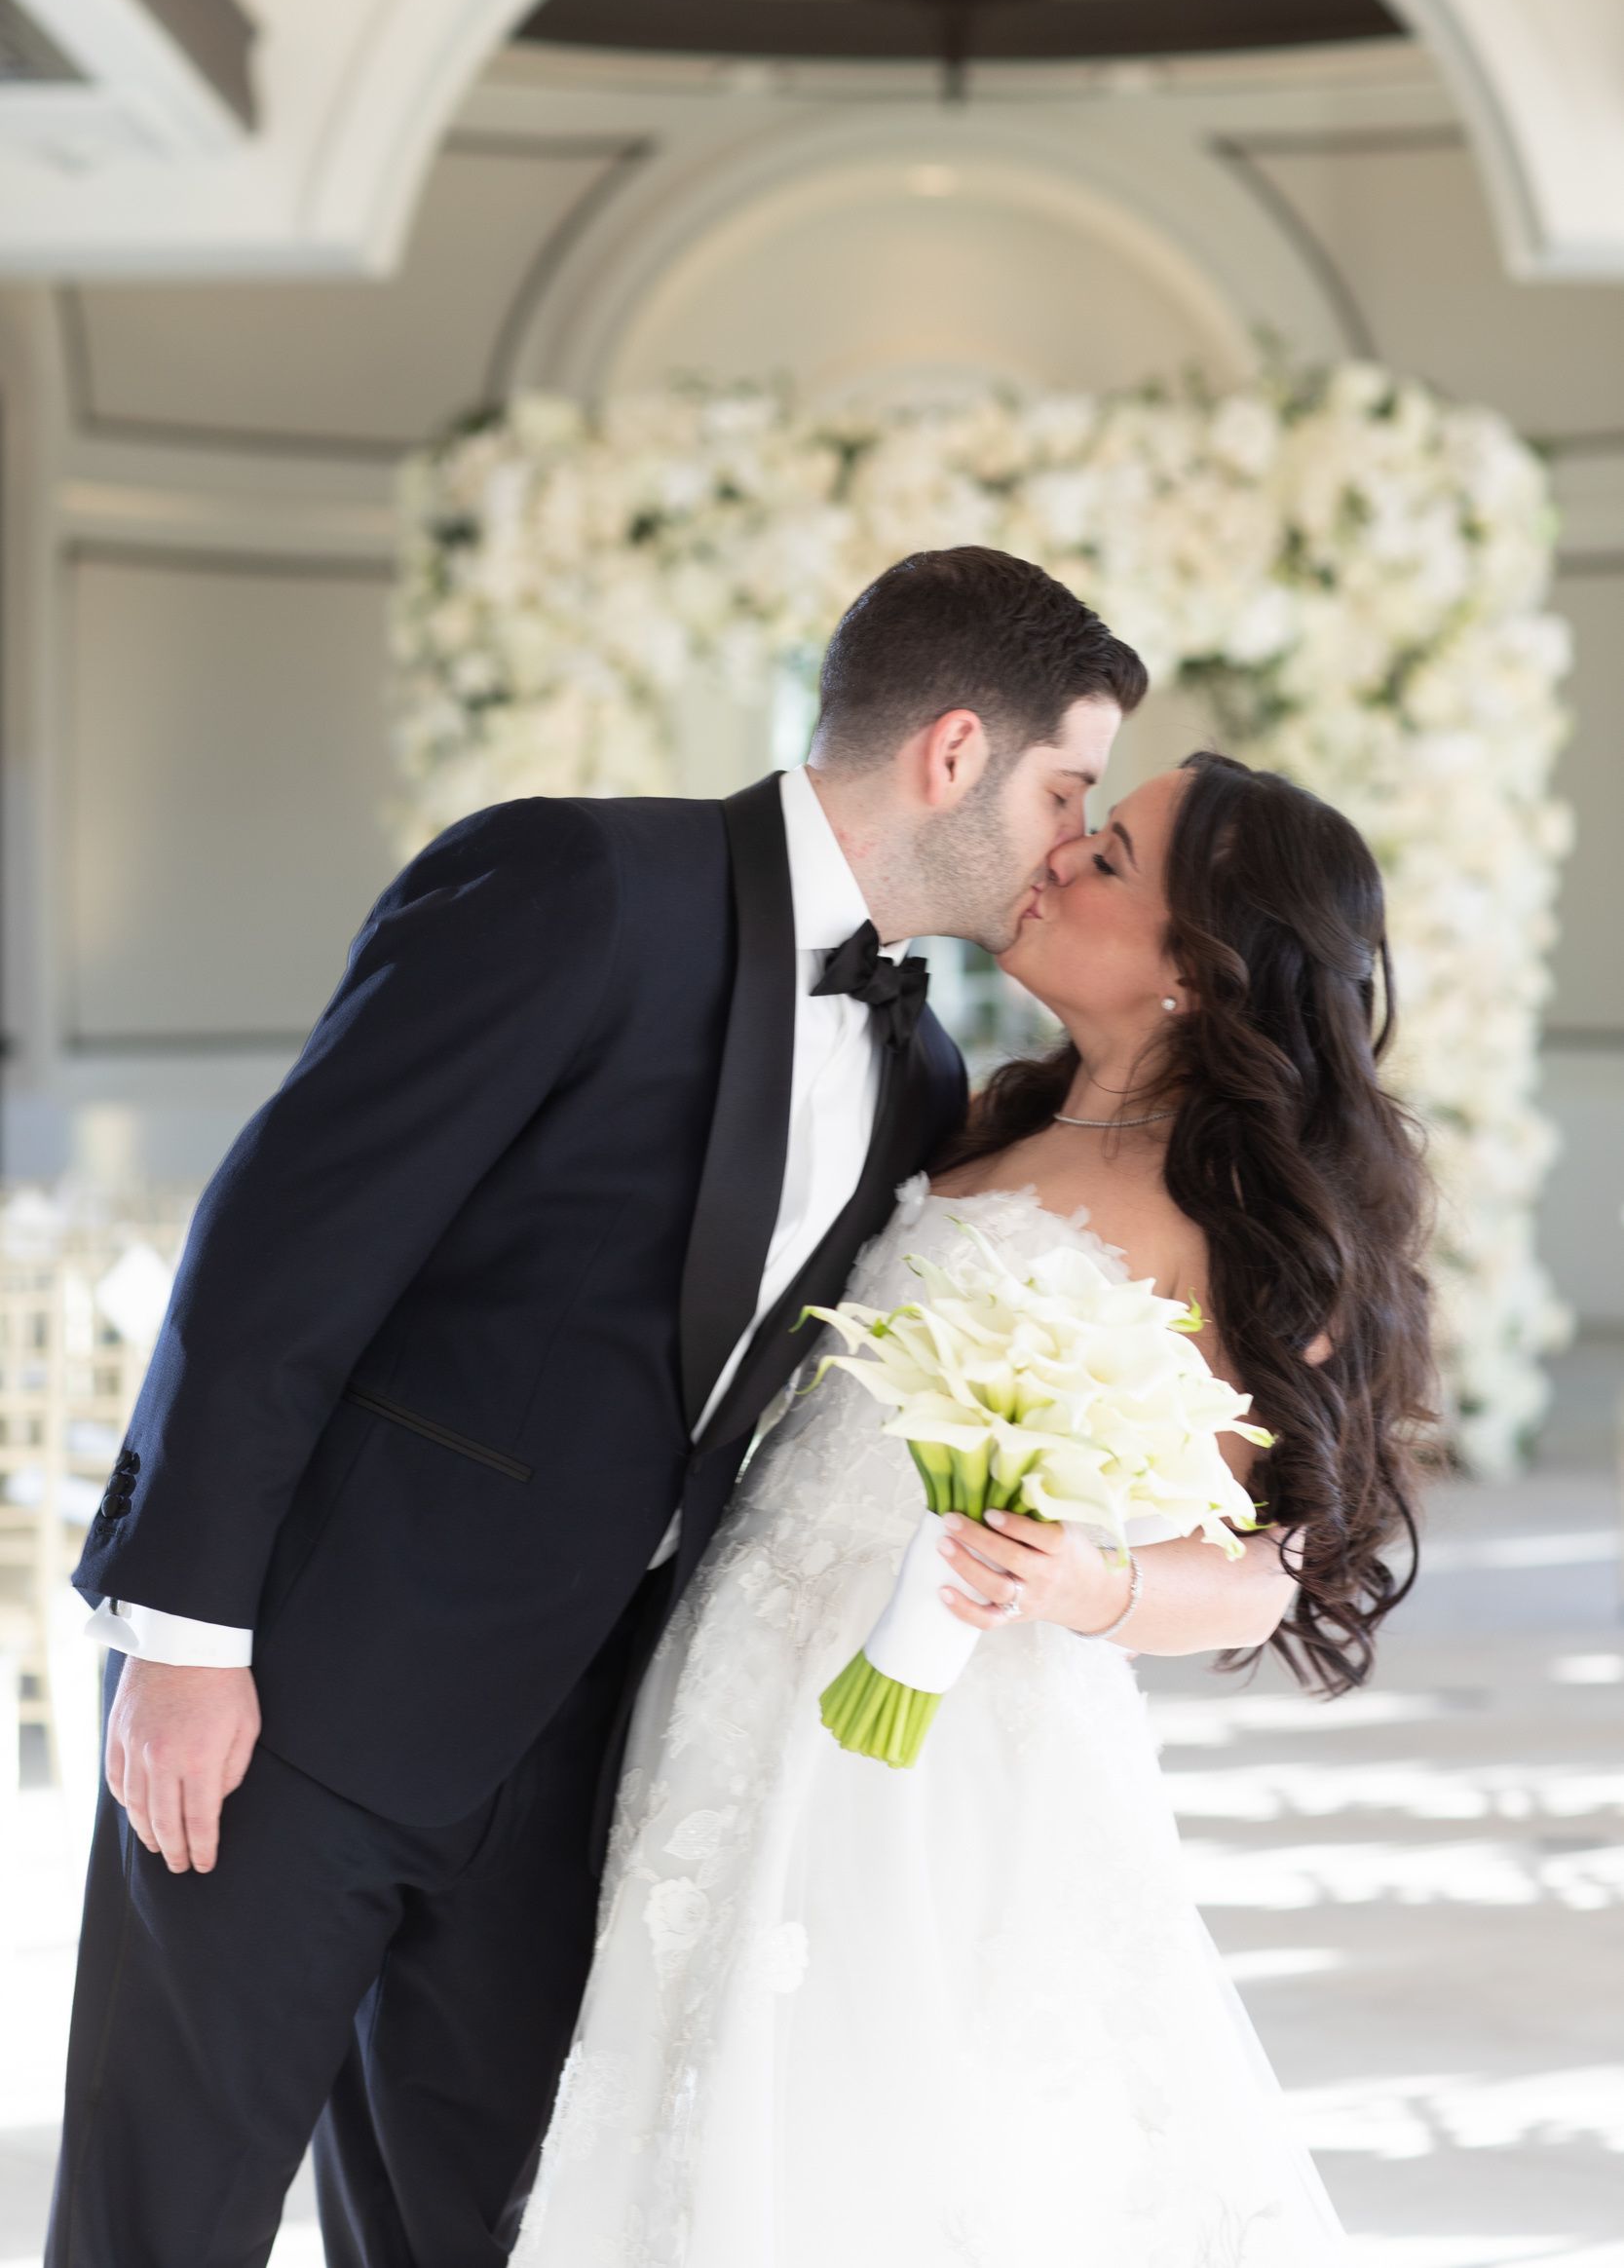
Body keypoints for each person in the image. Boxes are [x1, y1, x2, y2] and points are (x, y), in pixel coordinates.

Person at [46, 546, 1147, 2268]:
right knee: (161, 2221)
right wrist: (184, 1640)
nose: (1072, 840)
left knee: (478, 2235)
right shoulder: (573, 881)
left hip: (572, 1761)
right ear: (952, 754)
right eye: (1066, 787)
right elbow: (281, 1247)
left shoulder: (921, 1075)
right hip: (295, 1708)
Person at [516, 749, 1437, 2267]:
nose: (1061, 855)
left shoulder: (1239, 1219)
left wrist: (1089, 1587)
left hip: (950, 1752)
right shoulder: (970, 1117)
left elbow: (1268, 1568)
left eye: (1114, 857)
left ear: (1200, 971)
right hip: (746, 1682)